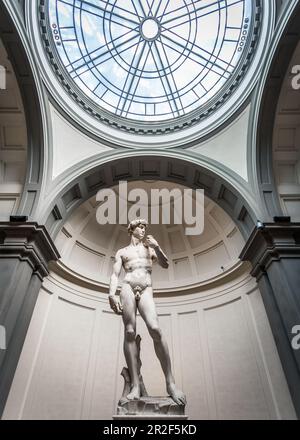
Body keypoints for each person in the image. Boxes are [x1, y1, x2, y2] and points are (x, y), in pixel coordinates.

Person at [108, 219, 186, 405]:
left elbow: (166, 264)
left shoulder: (149, 248)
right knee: (129, 332)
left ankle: (171, 383)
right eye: (140, 227)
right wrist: (112, 294)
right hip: (127, 286)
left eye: (144, 228)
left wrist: (157, 247)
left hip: (145, 288)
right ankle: (135, 385)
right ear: (131, 230)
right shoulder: (122, 252)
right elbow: (114, 274)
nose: (143, 230)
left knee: (155, 329)